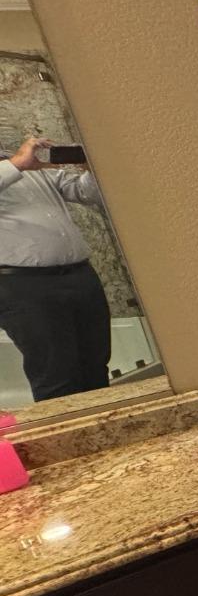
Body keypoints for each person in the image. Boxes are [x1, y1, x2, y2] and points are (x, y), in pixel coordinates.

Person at [0, 135, 111, 401]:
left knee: (95, 365)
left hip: (79, 276)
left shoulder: (27, 171)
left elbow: (89, 193)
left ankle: (108, 434)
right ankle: (72, 442)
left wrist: (90, 166)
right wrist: (16, 164)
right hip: (24, 288)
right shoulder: (15, 167)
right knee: (56, 375)